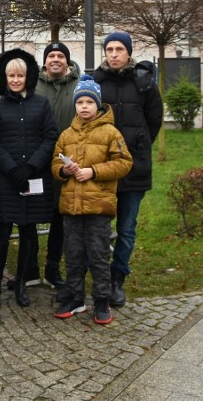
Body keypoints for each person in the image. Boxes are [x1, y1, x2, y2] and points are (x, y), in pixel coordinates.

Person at [51, 75, 133, 324]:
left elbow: (124, 163)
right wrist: (64, 170)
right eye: (80, 102)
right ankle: (75, 298)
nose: (84, 106)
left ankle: (101, 301)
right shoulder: (66, 134)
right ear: (74, 105)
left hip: (98, 207)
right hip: (72, 207)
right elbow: (55, 161)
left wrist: (93, 171)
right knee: (73, 254)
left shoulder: (111, 132)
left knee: (98, 256)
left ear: (98, 105)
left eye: (89, 102)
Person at [93, 31, 163, 306]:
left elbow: (154, 121)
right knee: (99, 228)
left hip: (135, 169)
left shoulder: (144, 83)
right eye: (109, 49)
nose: (113, 54)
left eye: (119, 49)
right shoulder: (96, 81)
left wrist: (139, 145)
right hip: (103, 169)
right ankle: (99, 277)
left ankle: (116, 279)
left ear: (128, 53)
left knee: (127, 229)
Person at [0, 48, 58, 308]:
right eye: (11, 76)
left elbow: (50, 137)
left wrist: (31, 167)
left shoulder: (41, 103)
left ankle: (21, 284)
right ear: (4, 78)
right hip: (7, 178)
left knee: (29, 231)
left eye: (20, 75)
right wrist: (13, 170)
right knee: (3, 232)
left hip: (33, 177)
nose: (15, 80)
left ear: (28, 77)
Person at [33, 42, 81, 290]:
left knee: (60, 218)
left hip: (67, 164)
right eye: (51, 55)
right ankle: (29, 270)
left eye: (60, 56)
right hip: (37, 161)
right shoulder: (34, 86)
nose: (55, 59)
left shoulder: (78, 86)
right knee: (30, 216)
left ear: (67, 61)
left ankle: (53, 268)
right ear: (44, 62)